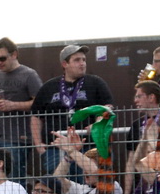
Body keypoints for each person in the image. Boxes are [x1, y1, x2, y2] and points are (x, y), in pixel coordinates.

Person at [31, 44, 111, 174]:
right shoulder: (48, 87)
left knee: (88, 180)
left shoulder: (96, 83)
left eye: (84, 60)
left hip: (87, 145)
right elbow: (35, 116)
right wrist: (38, 144)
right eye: (77, 60)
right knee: (58, 182)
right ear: (65, 64)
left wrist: (99, 122)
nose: (82, 63)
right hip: (56, 148)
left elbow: (107, 107)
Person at [0, 38, 41, 181]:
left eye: (2, 58)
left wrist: (13, 105)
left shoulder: (29, 74)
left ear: (14, 54)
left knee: (14, 177)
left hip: (18, 138)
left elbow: (40, 102)